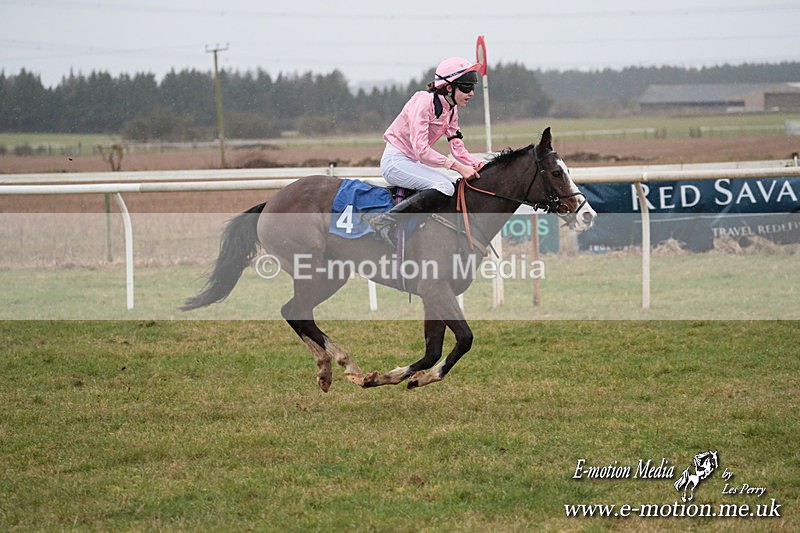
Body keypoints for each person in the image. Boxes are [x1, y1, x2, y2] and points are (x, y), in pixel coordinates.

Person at [368, 56, 486, 247]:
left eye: (473, 87)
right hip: (395, 162)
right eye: (466, 87)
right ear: (449, 87)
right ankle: (385, 219)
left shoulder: (452, 110)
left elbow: (456, 146)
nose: (471, 93)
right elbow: (421, 150)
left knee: (452, 188)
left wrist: (474, 163)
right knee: (446, 187)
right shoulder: (423, 102)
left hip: (410, 162)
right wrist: (457, 167)